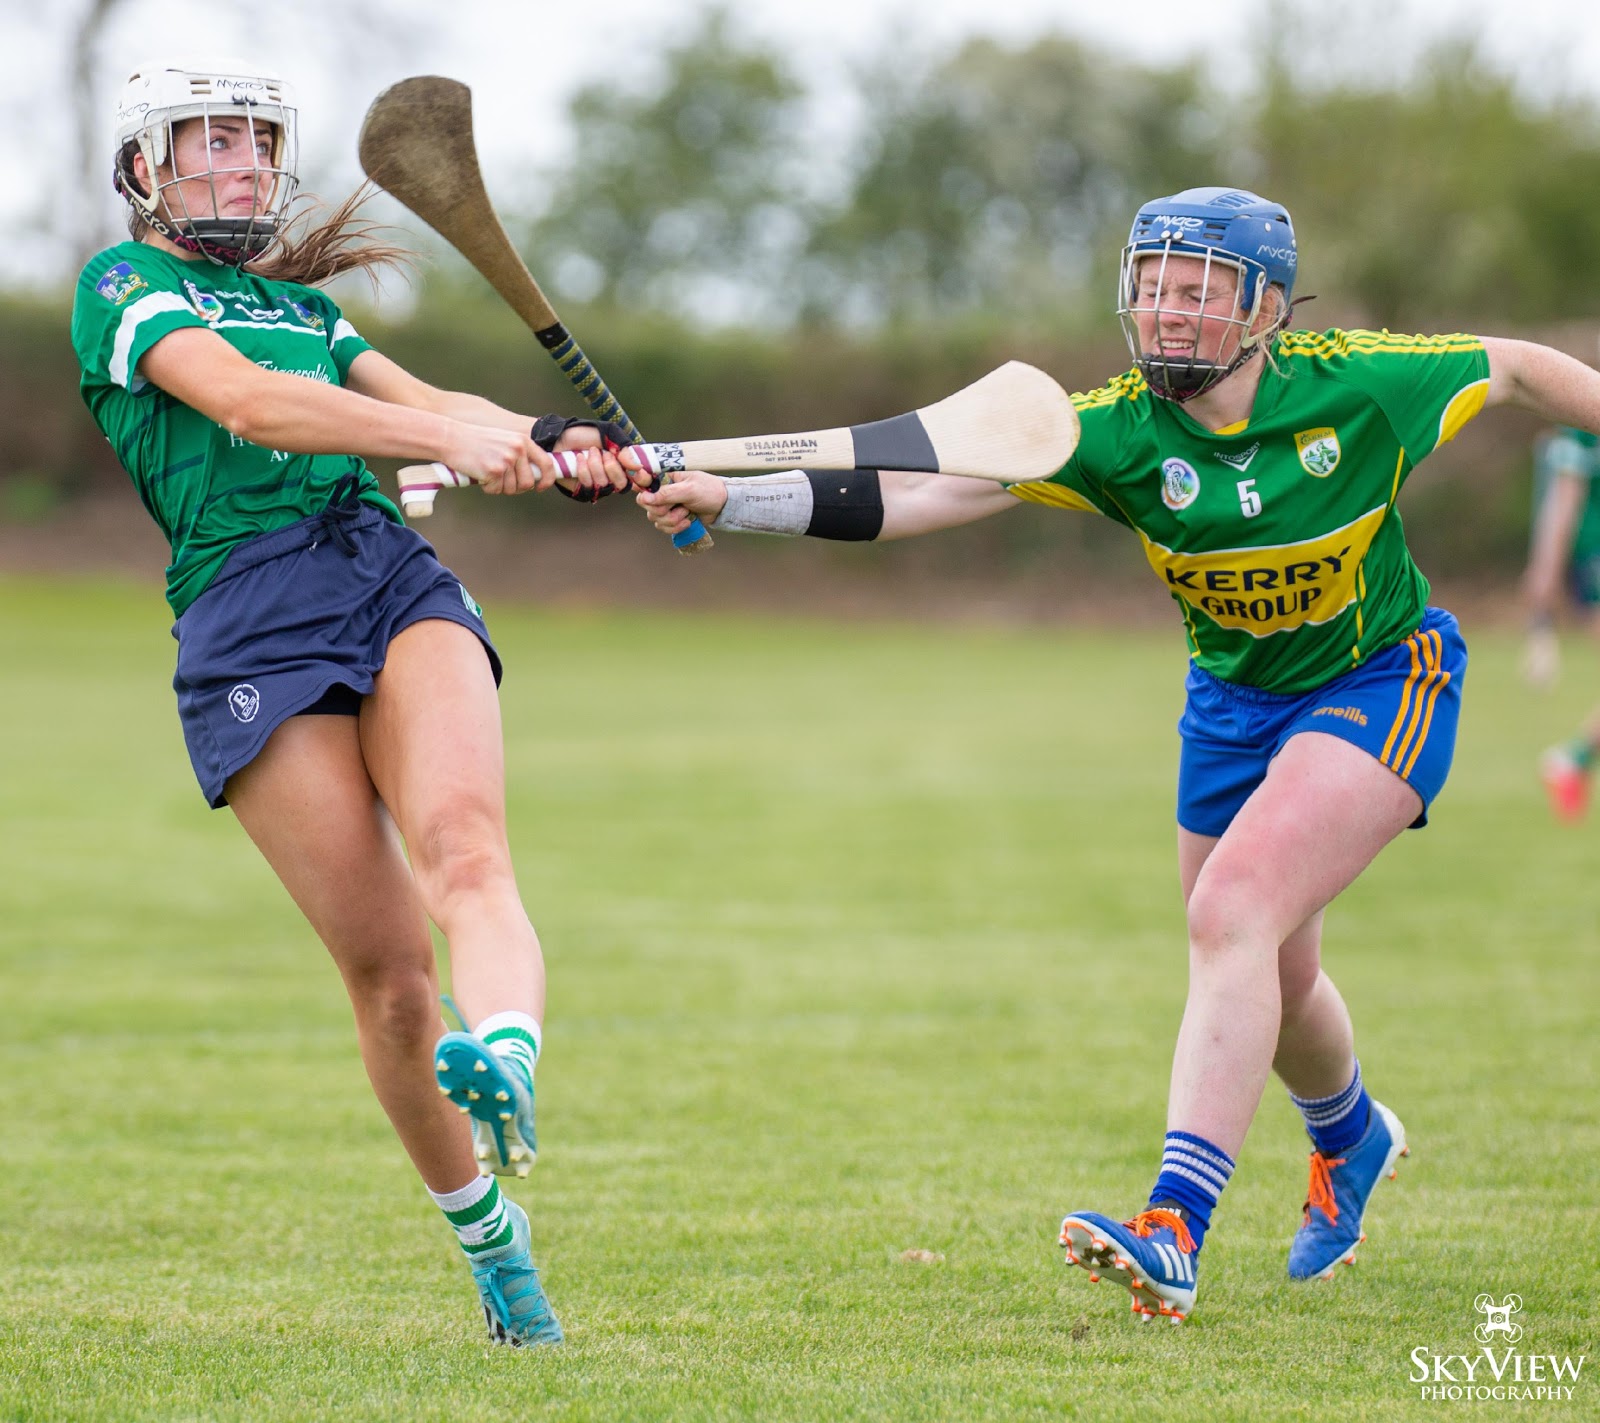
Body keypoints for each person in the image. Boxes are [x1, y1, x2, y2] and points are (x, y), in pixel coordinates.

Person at [636, 186, 1600, 1324]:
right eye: (1151, 287)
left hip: (1379, 679)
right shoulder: (1114, 434)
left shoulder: (1363, 384)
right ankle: (1350, 1133)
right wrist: (736, 504)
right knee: (1275, 975)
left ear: (1266, 311)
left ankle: (1173, 1227)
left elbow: (1526, 367)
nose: (1167, 313)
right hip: (1229, 706)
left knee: (1229, 913)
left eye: (1198, 292)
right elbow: (931, 486)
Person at [71, 58, 639, 1347]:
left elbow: (433, 406)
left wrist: (553, 442)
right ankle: (494, 1244)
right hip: (246, 616)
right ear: (145, 170)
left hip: (387, 575)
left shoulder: (304, 310)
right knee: (388, 979)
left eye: (256, 145)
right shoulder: (126, 289)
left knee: (470, 853)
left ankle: (505, 1052)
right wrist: (447, 443)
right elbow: (250, 404)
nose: (239, 167)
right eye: (208, 144)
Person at [1521, 416, 1600, 819]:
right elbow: (1561, 507)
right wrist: (1542, 601)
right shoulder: (1583, 419)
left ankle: (1573, 759)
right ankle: (1572, 759)